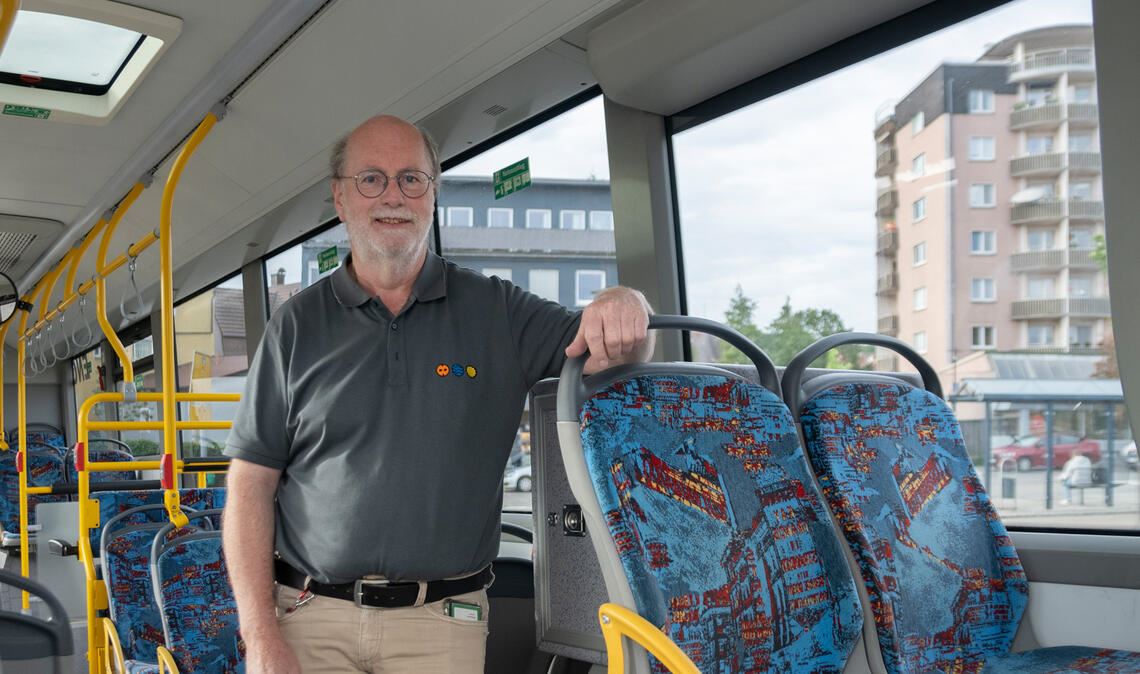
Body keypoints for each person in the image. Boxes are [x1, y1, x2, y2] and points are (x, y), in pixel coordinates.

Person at [222, 115, 653, 674]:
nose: (393, 196)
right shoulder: (296, 325)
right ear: (340, 198)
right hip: (310, 615)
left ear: (433, 193)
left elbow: (611, 348)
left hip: (442, 621)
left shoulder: (496, 310)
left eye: (411, 179)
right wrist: (259, 636)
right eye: (371, 179)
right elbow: (250, 487)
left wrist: (627, 302)